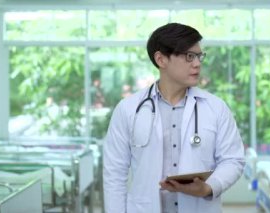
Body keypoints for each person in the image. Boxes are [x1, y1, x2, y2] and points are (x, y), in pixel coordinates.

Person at [103, 23, 245, 213]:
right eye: (189, 56)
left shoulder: (215, 108)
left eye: (199, 56)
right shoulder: (128, 109)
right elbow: (114, 174)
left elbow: (233, 160)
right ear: (161, 59)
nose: (197, 63)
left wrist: (209, 187)